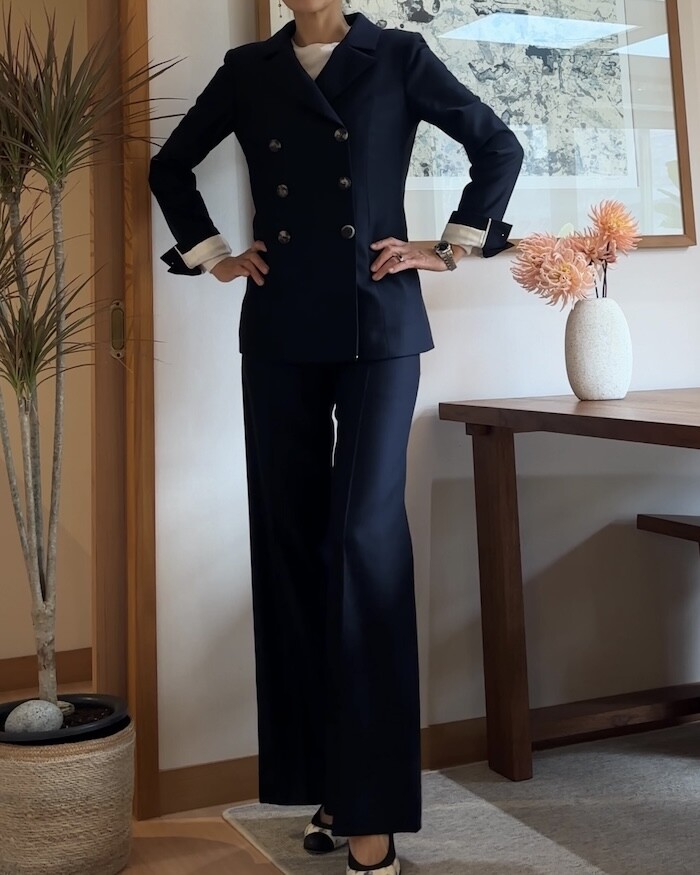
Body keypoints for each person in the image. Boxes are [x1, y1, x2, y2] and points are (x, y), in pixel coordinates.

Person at [149, 1, 523, 872]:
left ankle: (370, 809)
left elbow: (497, 145)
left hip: (378, 323)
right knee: (290, 546)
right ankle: (323, 779)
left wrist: (448, 246)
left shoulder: (397, 55)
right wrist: (214, 254)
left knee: (363, 544)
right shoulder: (249, 71)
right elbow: (171, 166)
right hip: (280, 325)